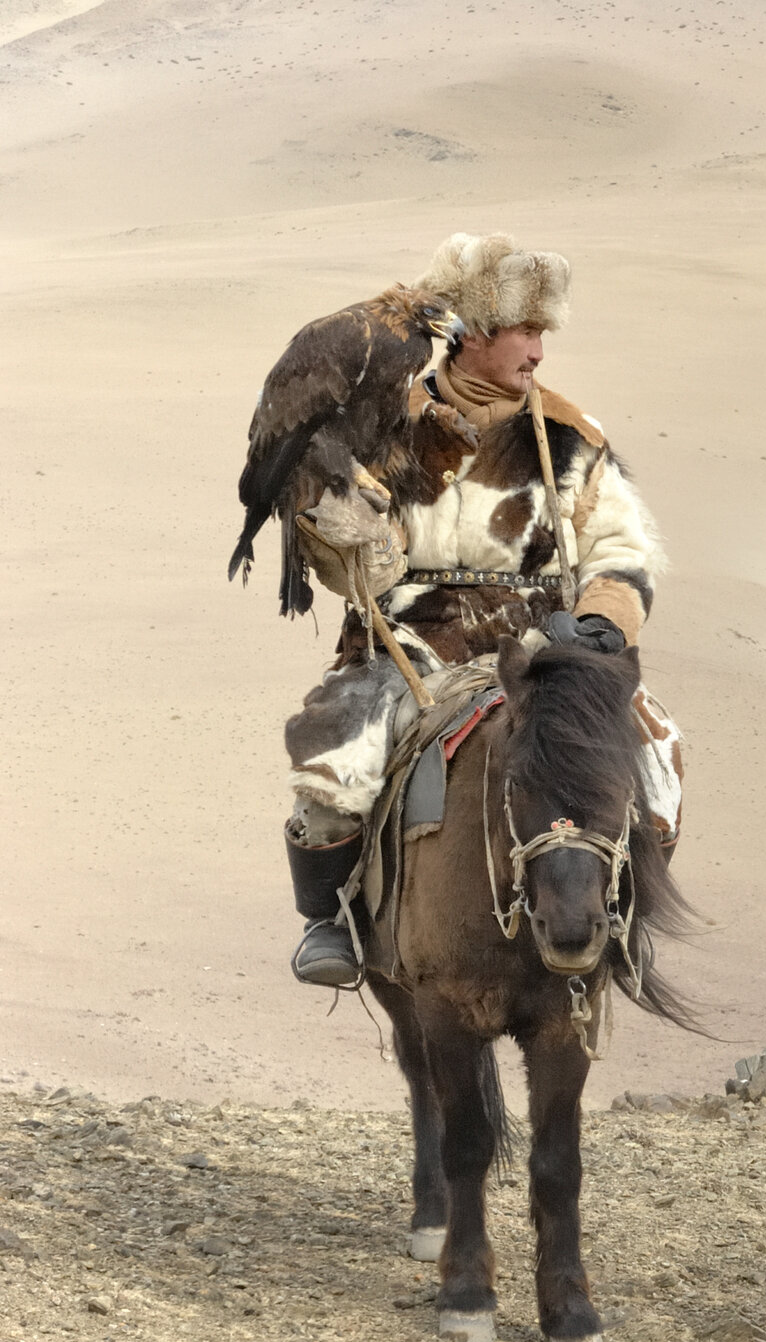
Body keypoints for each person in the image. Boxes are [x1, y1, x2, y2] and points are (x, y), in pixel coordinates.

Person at [280, 232, 682, 986]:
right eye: (526, 331)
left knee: (656, 753)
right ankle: (329, 920)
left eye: (542, 333)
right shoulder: (385, 426)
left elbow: (622, 549)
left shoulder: (569, 436)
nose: (538, 353)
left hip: (540, 645)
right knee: (338, 756)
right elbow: (352, 563)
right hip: (409, 637)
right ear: (473, 331)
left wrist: (601, 624)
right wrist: (340, 532)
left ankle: (624, 916)